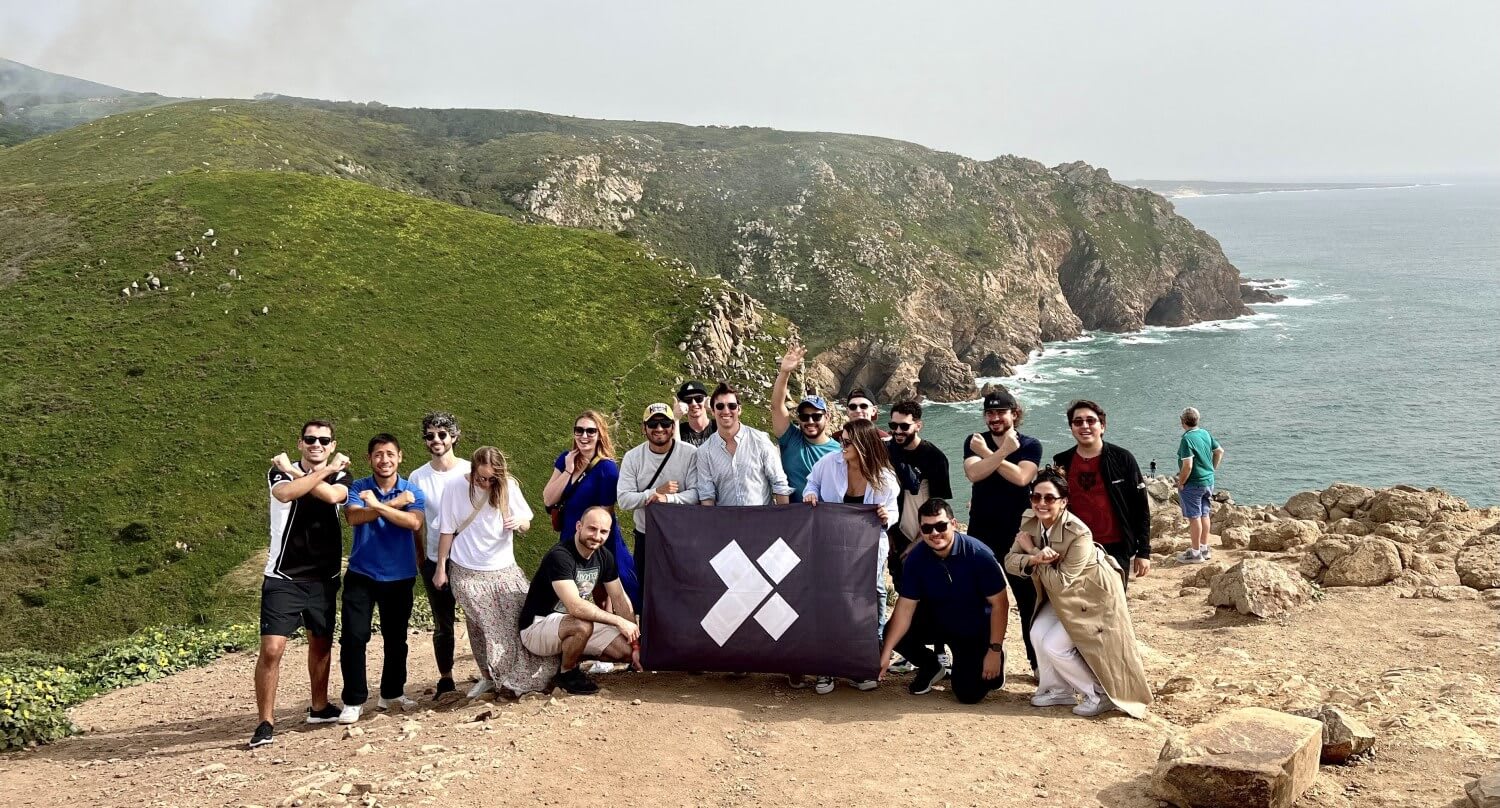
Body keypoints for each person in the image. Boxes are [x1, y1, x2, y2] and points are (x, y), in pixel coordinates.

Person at [1003, 469, 1151, 718]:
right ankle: (1058, 690)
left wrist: (1032, 555)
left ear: (1063, 502)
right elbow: (1009, 560)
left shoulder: (1078, 533)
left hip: (1092, 597)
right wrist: (1034, 556)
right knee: (1037, 633)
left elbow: (1062, 582)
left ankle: (1099, 694)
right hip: (1062, 595)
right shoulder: (1030, 520)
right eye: (1036, 497)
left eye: (1049, 498)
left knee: (1055, 646)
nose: (1041, 503)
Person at [251, 419, 353, 749]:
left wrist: (302, 473)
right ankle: (265, 721)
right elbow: (285, 493)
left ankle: (320, 707)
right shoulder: (279, 473)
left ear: (332, 444)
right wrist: (310, 472)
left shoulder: (338, 475)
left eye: (324, 440)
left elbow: (335, 496)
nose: (317, 444)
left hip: (324, 576)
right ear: (300, 443)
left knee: (321, 643)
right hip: (284, 576)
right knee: (272, 648)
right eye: (310, 439)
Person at [432, 446, 554, 698]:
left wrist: (519, 523)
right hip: (466, 570)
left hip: (503, 568)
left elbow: (527, 522)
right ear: (472, 470)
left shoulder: (508, 486)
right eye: (481, 478)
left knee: (515, 623)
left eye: (491, 479)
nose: (486, 484)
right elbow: (446, 530)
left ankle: (508, 676)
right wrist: (440, 569)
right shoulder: (455, 487)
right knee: (488, 625)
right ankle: (495, 676)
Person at [878, 499, 1009, 704]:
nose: (935, 533)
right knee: (892, 633)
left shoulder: (979, 555)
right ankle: (931, 666)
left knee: (968, 694)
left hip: (972, 629)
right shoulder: (916, 559)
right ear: (920, 531)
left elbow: (1000, 605)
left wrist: (995, 649)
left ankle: (993, 655)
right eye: (927, 528)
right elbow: (904, 609)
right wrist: (886, 653)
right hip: (939, 621)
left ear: (954, 524)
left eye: (941, 526)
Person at [802, 418, 899, 694]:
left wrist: (885, 516)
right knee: (829, 602)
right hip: (831, 547)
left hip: (866, 552)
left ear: (863, 445)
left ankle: (861, 666)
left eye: (847, 442)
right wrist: (810, 496)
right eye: (842, 441)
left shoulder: (885, 477)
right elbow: (812, 484)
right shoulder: (828, 464)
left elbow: (892, 510)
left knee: (866, 603)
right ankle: (825, 669)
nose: (841, 446)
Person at [338, 434, 426, 724]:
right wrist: (396, 503)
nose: (384, 460)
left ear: (400, 456)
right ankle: (353, 700)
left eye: (389, 454)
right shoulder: (359, 486)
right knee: (353, 636)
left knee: (396, 638)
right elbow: (353, 518)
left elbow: (413, 523)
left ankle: (391, 693)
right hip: (362, 572)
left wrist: (378, 504)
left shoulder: (412, 490)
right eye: (378, 454)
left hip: (400, 574)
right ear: (369, 459)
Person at [519, 506, 642, 695]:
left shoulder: (604, 556)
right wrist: (618, 621)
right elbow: (576, 607)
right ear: (579, 526)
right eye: (592, 529)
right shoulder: (560, 556)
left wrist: (634, 642)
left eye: (603, 532)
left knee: (625, 651)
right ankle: (567, 674)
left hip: (570, 624)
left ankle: (569, 654)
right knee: (582, 624)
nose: (597, 536)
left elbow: (619, 598)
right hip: (538, 626)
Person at [962, 389, 1042, 673]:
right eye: (990, 413)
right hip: (980, 532)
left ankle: (1036, 663)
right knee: (976, 598)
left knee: (1027, 599)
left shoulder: (1031, 444)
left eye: (1000, 412)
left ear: (1014, 414)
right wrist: (1002, 452)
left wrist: (989, 454)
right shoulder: (973, 440)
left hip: (1017, 535)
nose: (994, 418)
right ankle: (982, 658)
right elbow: (974, 474)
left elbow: (1022, 478)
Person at [1052, 400, 1151, 591]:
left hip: (1115, 547)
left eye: (1091, 421)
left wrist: (1143, 552)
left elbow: (1141, 507)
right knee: (1078, 604)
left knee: (1112, 604)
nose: (1085, 426)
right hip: (1074, 547)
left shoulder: (1123, 459)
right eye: (1078, 422)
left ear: (1102, 426)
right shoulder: (1062, 461)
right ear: (1071, 427)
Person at [542, 411, 638, 606]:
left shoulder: (607, 469)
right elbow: (548, 498)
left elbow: (606, 512)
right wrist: (568, 470)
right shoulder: (566, 460)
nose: (584, 436)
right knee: (572, 595)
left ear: (599, 434)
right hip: (571, 535)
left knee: (605, 595)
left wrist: (592, 545)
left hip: (597, 537)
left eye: (590, 431)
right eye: (579, 430)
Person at [407, 412, 470, 699]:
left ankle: (489, 672)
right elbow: (416, 521)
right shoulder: (417, 477)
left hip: (470, 558)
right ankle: (446, 678)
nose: (436, 440)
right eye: (430, 435)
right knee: (442, 623)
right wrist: (421, 558)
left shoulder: (470, 471)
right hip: (434, 558)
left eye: (442, 434)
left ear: (454, 437)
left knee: (479, 619)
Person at [616, 402, 698, 611]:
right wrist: (654, 493)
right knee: (646, 591)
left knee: (682, 590)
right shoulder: (633, 457)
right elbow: (624, 500)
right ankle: (648, 639)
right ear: (643, 428)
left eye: (664, 423)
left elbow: (697, 494)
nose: (659, 429)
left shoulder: (689, 453)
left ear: (673, 426)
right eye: (653, 424)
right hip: (646, 536)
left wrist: (669, 499)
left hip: (681, 536)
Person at [886, 400, 953, 588]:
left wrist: (918, 542)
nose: (898, 431)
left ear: (918, 425)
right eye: (893, 425)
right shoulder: (887, 451)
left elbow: (938, 505)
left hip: (924, 537)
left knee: (929, 590)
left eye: (904, 426)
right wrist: (889, 535)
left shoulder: (935, 458)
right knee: (903, 588)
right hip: (895, 536)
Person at [695, 382, 792, 507]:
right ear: (713, 411)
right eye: (720, 406)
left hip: (762, 522)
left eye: (732, 406)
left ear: (739, 409)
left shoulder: (760, 440)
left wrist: (783, 522)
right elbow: (707, 496)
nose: (726, 410)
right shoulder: (704, 452)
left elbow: (780, 485)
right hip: (727, 523)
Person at [770, 343, 840, 501]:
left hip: (825, 519)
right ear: (798, 419)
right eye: (804, 417)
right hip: (795, 520)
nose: (810, 421)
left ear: (827, 417)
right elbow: (776, 407)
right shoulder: (790, 438)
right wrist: (784, 372)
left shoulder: (838, 451)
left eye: (816, 416)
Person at [1175, 407, 1225, 564]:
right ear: (1197, 420)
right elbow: (1219, 451)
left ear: (1182, 421)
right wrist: (1211, 469)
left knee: (1194, 517)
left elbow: (1188, 466)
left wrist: (1181, 483)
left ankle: (1195, 553)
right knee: (1204, 514)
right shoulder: (1204, 433)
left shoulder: (1186, 439)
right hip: (1208, 482)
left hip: (1193, 484)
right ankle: (1204, 548)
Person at [676, 381, 715, 447]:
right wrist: (675, 418)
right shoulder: (679, 430)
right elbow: (675, 452)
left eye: (698, 398)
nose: (693, 404)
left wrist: (715, 409)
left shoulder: (718, 426)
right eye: (688, 400)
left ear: (706, 400)